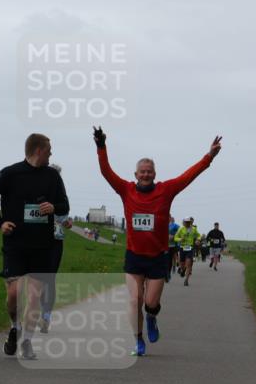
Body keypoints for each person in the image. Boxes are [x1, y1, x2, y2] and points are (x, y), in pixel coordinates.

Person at [94, 126, 222, 356]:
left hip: (158, 257)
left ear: (154, 173)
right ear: (135, 175)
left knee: (150, 303)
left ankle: (152, 318)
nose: (145, 174)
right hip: (134, 255)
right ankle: (138, 340)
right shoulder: (125, 190)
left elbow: (189, 175)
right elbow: (106, 172)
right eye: (141, 171)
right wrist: (101, 146)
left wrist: (209, 156)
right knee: (135, 301)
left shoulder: (166, 190)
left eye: (149, 171)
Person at [0, 134, 70, 360]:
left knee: (33, 297)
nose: (51, 153)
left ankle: (28, 342)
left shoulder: (52, 176)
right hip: (15, 245)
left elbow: (64, 205)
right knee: (13, 294)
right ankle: (15, 327)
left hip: (43, 246)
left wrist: (53, 207)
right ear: (39, 150)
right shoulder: (10, 173)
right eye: (49, 149)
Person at [40, 164, 73, 334]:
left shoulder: (60, 194)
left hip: (55, 241)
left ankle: (45, 315)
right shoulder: (37, 190)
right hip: (37, 241)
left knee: (49, 278)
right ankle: (37, 310)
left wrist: (67, 222)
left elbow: (65, 216)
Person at [174, 217, 200, 286]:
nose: (187, 223)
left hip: (190, 248)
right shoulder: (181, 229)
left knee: (188, 263)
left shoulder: (194, 229)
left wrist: (198, 240)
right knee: (182, 264)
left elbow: (199, 236)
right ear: (184, 222)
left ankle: (186, 280)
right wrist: (180, 239)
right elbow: (175, 238)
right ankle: (183, 269)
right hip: (182, 248)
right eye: (186, 222)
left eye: (189, 222)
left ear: (190, 223)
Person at [167, 216, 180, 283]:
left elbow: (180, 231)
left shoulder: (175, 225)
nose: (171, 219)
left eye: (172, 218)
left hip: (173, 244)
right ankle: (167, 273)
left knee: (174, 257)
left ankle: (173, 267)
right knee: (168, 259)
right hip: (165, 245)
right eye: (170, 218)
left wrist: (174, 236)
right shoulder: (164, 224)